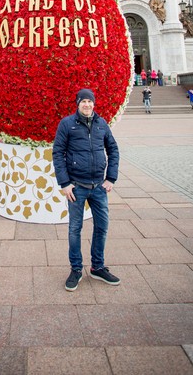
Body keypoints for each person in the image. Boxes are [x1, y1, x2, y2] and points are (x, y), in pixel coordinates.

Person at [52, 88, 120, 292]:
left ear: (94, 104)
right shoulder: (67, 124)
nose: (87, 105)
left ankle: (97, 266)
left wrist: (111, 178)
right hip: (77, 187)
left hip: (99, 187)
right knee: (75, 229)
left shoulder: (101, 124)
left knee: (102, 227)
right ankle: (76, 269)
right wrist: (64, 183)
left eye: (90, 102)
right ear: (78, 103)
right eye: (83, 102)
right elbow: (58, 152)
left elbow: (113, 149)